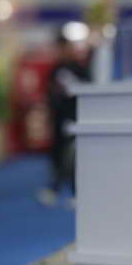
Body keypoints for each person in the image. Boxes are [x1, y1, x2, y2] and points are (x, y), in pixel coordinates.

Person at [40, 40, 89, 208]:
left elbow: (88, 89)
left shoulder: (80, 69)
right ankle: (55, 188)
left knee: (73, 157)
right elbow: (50, 93)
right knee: (58, 155)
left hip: (76, 117)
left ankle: (72, 191)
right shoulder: (55, 70)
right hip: (59, 119)